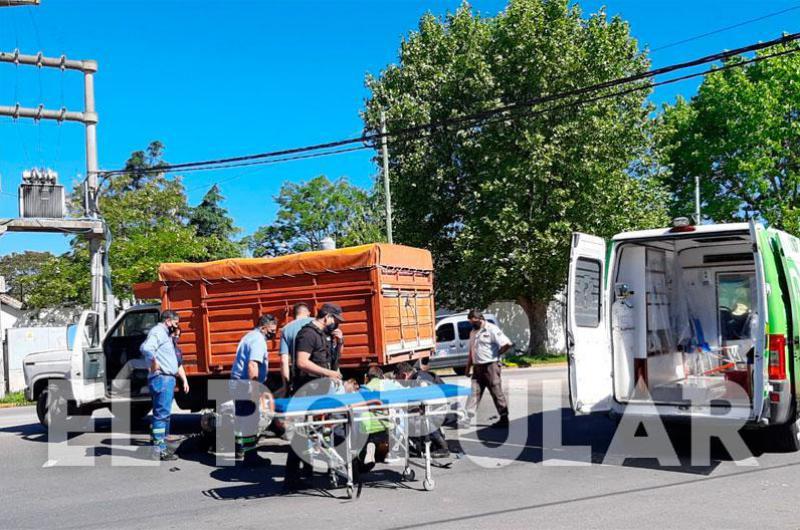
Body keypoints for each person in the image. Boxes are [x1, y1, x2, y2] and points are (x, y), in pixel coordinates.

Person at [284, 303, 346, 490]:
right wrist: (329, 374)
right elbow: (302, 362)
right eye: (334, 319)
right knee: (302, 433)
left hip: (321, 389)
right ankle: (292, 479)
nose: (336, 324)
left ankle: (313, 472)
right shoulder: (308, 334)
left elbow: (333, 362)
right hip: (307, 390)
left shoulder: (323, 334)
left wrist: (340, 343)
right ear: (326, 316)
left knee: (321, 431)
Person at [140, 310, 190, 461]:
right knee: (162, 415)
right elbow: (146, 348)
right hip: (162, 378)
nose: (176, 326)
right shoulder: (158, 332)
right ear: (168, 321)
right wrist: (154, 362)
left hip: (166, 379)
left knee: (163, 415)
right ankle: (159, 449)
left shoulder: (164, 335)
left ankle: (162, 446)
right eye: (175, 323)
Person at [229, 314, 277, 466]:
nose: (273, 334)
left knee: (241, 419)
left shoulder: (249, 336)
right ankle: (250, 456)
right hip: (246, 385)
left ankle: (239, 449)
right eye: (271, 330)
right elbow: (252, 365)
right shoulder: (258, 340)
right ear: (263, 327)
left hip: (238, 383)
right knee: (250, 420)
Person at [465, 309, 512, 429]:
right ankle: (467, 418)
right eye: (470, 322)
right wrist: (468, 367)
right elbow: (471, 351)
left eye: (473, 321)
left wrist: (496, 354)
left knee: (496, 392)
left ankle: (504, 418)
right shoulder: (473, 332)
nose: (471, 324)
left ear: (480, 319)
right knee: (474, 392)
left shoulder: (491, 329)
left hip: (491, 366)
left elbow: (507, 344)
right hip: (477, 367)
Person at [394, 362, 450, 458]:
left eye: (399, 381)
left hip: (443, 408)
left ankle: (443, 448)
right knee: (417, 413)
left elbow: (424, 391)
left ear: (404, 375)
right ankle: (429, 444)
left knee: (421, 417)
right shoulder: (419, 375)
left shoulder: (418, 379)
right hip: (443, 404)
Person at [278, 302, 314, 396]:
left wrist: (286, 386)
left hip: (299, 376)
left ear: (294, 315)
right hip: (320, 374)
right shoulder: (317, 324)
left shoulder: (286, 329)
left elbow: (283, 361)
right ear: (308, 313)